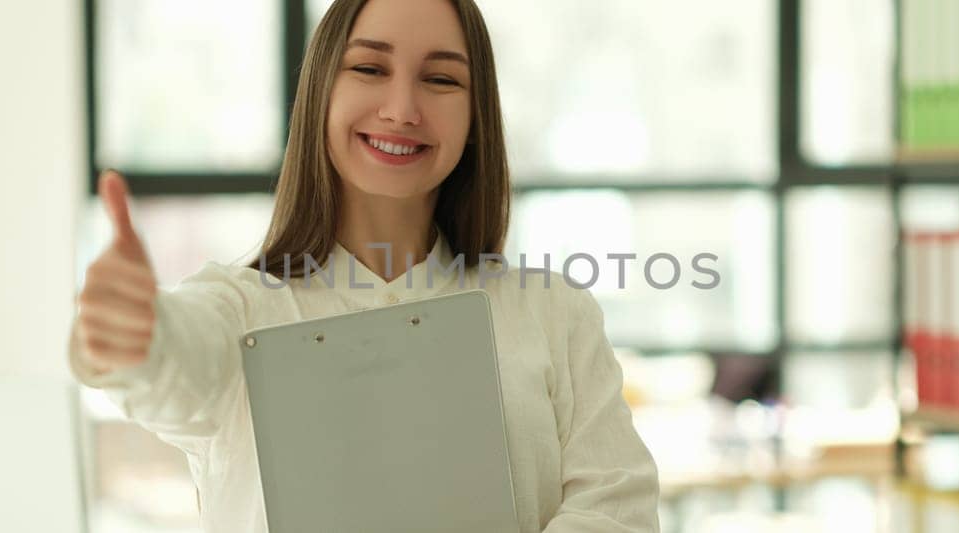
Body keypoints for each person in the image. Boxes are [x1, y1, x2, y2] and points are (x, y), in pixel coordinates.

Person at [69, 0, 660, 531]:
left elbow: (617, 509)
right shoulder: (240, 307)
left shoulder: (553, 313)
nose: (402, 109)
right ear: (321, 91)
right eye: (370, 69)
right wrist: (132, 335)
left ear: (476, 118)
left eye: (440, 79)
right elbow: (171, 361)